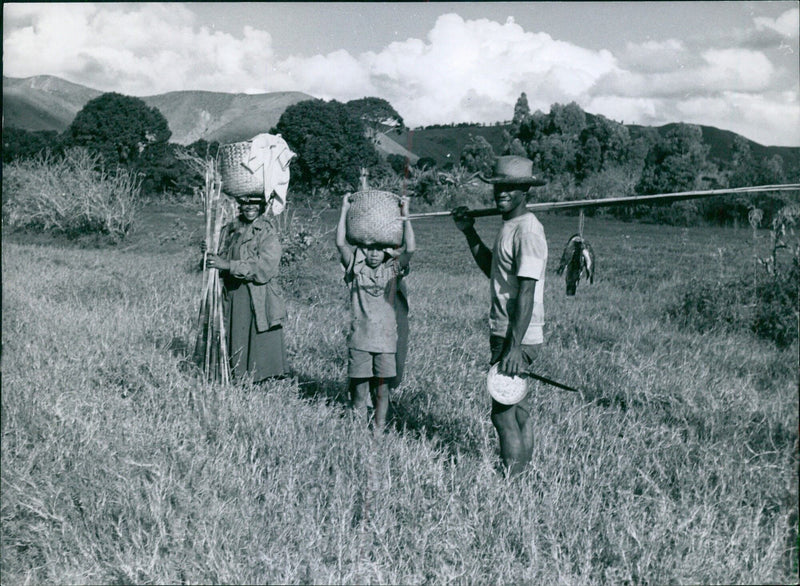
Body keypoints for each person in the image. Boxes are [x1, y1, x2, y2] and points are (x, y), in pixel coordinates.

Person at [452, 155, 548, 475]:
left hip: (515, 333)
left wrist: (514, 346)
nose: (502, 192)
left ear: (526, 191)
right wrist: (468, 232)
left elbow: (527, 292)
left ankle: (512, 482)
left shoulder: (528, 230)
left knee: (502, 414)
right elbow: (492, 270)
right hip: (507, 330)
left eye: (511, 187)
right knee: (517, 408)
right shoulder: (511, 226)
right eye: (499, 186)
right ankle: (522, 476)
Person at [336, 193, 415, 433]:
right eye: (369, 249)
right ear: (362, 249)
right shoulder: (356, 269)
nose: (373, 254)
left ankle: (379, 433)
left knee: (382, 392)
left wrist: (405, 214)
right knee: (359, 392)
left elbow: (410, 247)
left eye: (379, 249)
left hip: (385, 342)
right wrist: (344, 209)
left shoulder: (392, 270)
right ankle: (358, 432)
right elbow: (341, 243)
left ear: (387, 252)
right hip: (360, 340)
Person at [205, 193, 289, 381]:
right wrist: (210, 252)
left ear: (261, 205)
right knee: (236, 333)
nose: (250, 207)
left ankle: (261, 378)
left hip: (257, 292)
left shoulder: (266, 231)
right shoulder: (230, 229)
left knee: (258, 335)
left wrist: (229, 265)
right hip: (234, 292)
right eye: (245, 203)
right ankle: (238, 375)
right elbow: (219, 256)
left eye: (255, 203)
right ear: (239, 205)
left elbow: (265, 267)